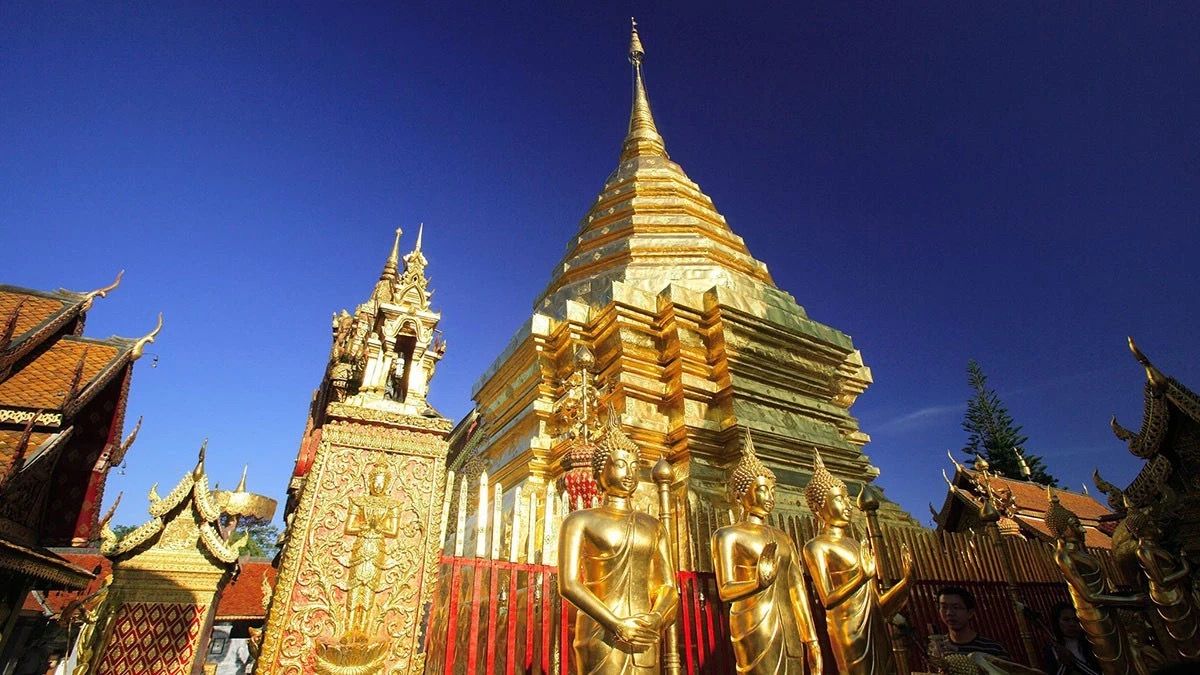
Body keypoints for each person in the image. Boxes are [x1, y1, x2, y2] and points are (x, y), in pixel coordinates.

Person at [558, 409, 678, 674]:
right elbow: (569, 584)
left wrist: (656, 618)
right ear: (600, 471)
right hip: (601, 631)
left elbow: (668, 586)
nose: (629, 473)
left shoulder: (654, 525)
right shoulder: (580, 520)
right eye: (621, 464)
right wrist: (616, 624)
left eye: (634, 466)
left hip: (645, 632)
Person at [711, 431, 822, 674]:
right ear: (739, 494)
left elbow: (797, 590)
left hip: (789, 624)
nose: (769, 497)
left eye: (772, 490)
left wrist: (811, 638)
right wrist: (757, 583)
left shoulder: (784, 538)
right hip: (754, 624)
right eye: (762, 490)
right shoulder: (728, 535)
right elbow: (725, 590)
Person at [935, 586, 1011, 659]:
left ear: (970, 613)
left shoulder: (993, 650)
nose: (949, 613)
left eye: (956, 607)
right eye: (944, 607)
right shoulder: (937, 648)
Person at [1043, 601, 1101, 675]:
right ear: (1057, 622)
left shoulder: (1091, 644)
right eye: (1066, 620)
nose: (1072, 624)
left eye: (1076, 620)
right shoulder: (1052, 650)